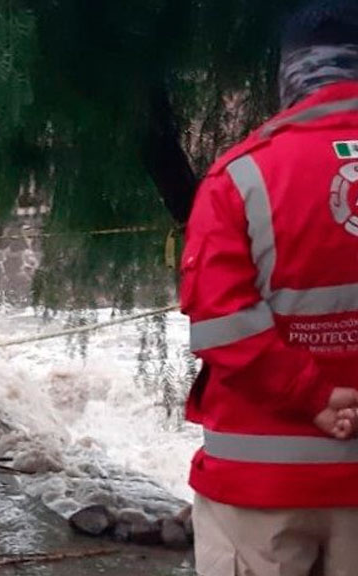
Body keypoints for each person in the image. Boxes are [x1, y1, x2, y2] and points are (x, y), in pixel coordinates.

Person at [182, 1, 358, 574]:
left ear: (289, 73)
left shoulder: (240, 177)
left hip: (261, 485)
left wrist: (315, 398)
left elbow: (222, 325)